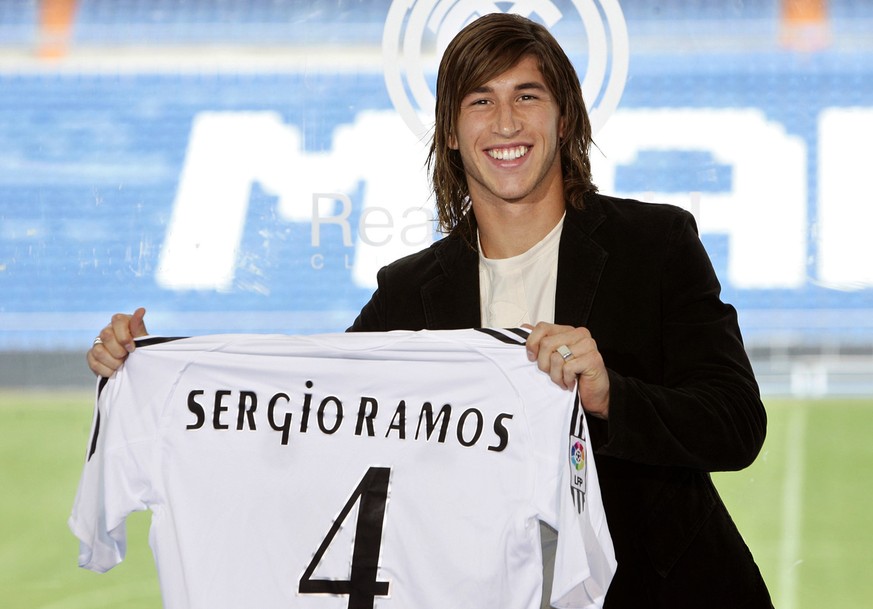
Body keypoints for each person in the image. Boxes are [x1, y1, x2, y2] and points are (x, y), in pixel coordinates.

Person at [86, 12, 773, 608]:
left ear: (563, 118)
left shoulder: (654, 245)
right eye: (479, 101)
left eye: (526, 96)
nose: (505, 122)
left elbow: (735, 424)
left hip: (664, 593)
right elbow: (311, 428)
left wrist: (609, 396)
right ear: (448, 131)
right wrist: (150, 374)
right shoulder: (408, 295)